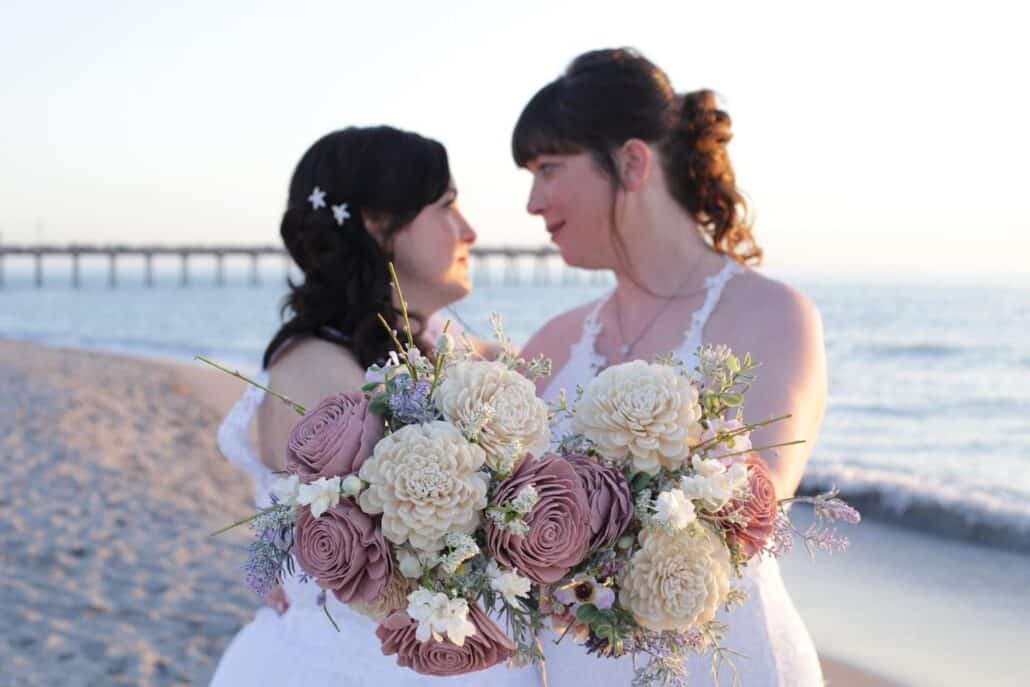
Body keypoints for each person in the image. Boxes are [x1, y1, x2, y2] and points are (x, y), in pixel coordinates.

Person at [515, 48, 827, 686]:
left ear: (632, 162)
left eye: (549, 168)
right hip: (572, 664)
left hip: (721, 664)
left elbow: (753, 516)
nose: (532, 201)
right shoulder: (556, 337)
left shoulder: (771, 316)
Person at [210, 126, 527, 686]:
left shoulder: (433, 342)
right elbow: (405, 557)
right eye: (447, 206)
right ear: (380, 226)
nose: (470, 230)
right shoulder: (315, 373)